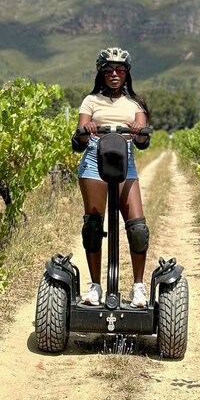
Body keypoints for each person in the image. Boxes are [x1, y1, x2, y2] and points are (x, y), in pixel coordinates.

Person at [71, 47, 151, 308]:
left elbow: (143, 142)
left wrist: (138, 131)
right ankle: (95, 286)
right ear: (101, 73)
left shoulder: (136, 104)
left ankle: (138, 287)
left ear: (127, 74)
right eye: (109, 70)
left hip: (125, 159)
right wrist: (87, 129)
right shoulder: (91, 101)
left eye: (120, 70)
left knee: (137, 228)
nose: (114, 74)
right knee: (93, 226)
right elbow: (79, 140)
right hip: (95, 158)